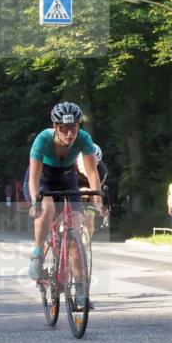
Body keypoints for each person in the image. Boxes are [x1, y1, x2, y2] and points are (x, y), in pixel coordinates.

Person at [24, 102, 104, 307]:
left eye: (74, 129)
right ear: (55, 126)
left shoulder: (84, 139)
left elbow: (92, 172)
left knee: (75, 232)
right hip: (42, 179)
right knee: (47, 208)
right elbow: (33, 176)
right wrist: (35, 202)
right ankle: (38, 253)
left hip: (67, 178)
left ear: (79, 126)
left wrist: (98, 200)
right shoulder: (42, 139)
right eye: (64, 129)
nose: (69, 134)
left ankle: (80, 290)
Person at [76, 143, 108, 239]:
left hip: (91, 189)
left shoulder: (102, 170)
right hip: (73, 186)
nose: (88, 167)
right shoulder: (71, 165)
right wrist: (79, 190)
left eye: (94, 164)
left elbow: (97, 190)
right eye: (85, 164)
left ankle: (84, 247)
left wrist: (99, 205)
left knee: (90, 219)